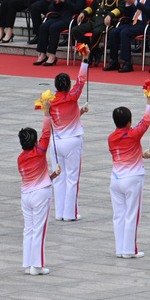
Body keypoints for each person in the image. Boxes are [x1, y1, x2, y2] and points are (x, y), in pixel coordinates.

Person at [108, 88, 150, 258]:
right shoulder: (134, 134)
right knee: (132, 214)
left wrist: (140, 154)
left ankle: (120, 249)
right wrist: (149, 100)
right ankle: (129, 250)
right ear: (129, 122)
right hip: (133, 178)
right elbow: (147, 120)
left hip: (116, 179)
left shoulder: (111, 138)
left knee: (119, 215)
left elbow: (122, 152)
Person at [17, 106, 59, 276]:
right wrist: (47, 113)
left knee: (29, 229)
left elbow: (35, 176)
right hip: (41, 194)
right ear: (35, 143)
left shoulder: (20, 159)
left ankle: (28, 264)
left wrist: (51, 176)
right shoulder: (40, 152)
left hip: (26, 195)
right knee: (39, 230)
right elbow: (46, 133)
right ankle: (37, 265)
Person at [48, 62, 88, 221]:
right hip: (72, 142)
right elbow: (81, 80)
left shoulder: (49, 101)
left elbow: (59, 118)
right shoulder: (72, 97)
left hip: (56, 142)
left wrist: (79, 113)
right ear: (69, 86)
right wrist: (85, 60)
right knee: (72, 179)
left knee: (58, 177)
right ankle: (70, 214)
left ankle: (59, 213)